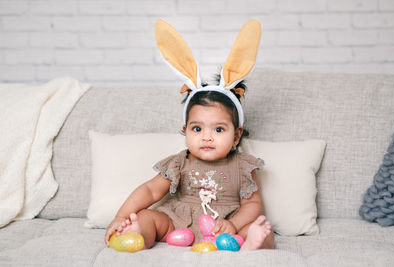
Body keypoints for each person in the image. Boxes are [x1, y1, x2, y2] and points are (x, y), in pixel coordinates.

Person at [104, 18, 274, 251]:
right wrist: (121, 215)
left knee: (260, 227)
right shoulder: (179, 163)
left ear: (236, 136)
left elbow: (253, 204)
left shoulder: (243, 166)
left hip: (223, 227)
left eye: (218, 129)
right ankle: (137, 232)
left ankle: (251, 243)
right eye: (197, 128)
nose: (207, 137)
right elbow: (150, 190)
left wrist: (233, 225)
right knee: (148, 216)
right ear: (185, 131)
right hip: (177, 224)